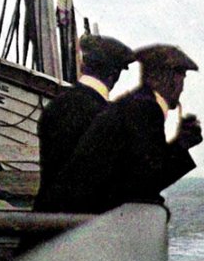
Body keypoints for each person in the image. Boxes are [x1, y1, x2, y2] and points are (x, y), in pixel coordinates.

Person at [46, 43, 203, 215]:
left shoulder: (134, 104)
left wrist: (180, 145)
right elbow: (145, 182)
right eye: (182, 78)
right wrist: (180, 147)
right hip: (78, 217)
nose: (182, 88)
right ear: (171, 78)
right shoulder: (146, 109)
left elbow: (140, 171)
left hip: (70, 210)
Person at [32, 33, 135, 213]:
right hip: (85, 227)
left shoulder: (53, 108)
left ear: (83, 66)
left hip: (44, 221)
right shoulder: (108, 116)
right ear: (114, 74)